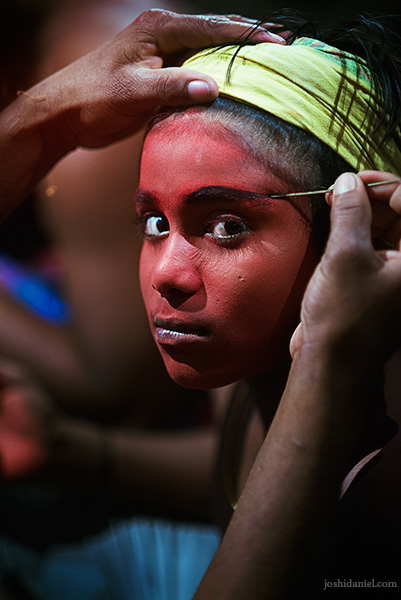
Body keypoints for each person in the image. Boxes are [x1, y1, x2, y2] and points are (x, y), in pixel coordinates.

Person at [0, 7, 400, 598]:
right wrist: (73, 453)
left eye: (228, 226)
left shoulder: (383, 483)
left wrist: (327, 355)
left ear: (368, 229)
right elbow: (240, 465)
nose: (168, 274)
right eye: (156, 222)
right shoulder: (256, 364)